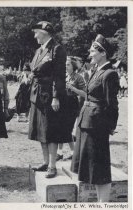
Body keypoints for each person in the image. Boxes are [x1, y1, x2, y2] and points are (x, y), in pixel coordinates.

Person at [71, 34, 119, 202]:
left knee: (100, 167)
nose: (90, 53)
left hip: (98, 126)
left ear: (103, 53)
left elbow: (112, 104)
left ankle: (103, 204)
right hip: (87, 123)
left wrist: (109, 126)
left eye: (93, 51)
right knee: (91, 167)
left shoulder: (109, 74)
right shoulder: (96, 71)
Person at [28, 21, 67, 178]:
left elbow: (59, 76)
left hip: (50, 97)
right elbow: (34, 70)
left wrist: (56, 97)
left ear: (44, 33)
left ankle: (52, 165)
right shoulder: (39, 50)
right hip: (37, 95)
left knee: (51, 131)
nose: (35, 35)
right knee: (41, 131)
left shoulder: (57, 49)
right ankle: (45, 162)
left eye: (36, 32)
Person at [56, 57, 86, 161]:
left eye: (68, 64)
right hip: (62, 104)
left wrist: (73, 88)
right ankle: (60, 153)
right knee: (60, 128)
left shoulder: (79, 77)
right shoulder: (63, 76)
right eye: (65, 64)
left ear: (73, 66)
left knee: (67, 129)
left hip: (72, 105)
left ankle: (74, 153)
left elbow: (85, 94)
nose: (65, 66)